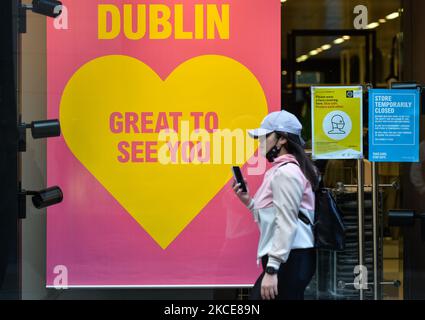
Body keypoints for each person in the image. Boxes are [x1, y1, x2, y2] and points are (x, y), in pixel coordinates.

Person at [232, 110, 318, 300]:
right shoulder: (283, 171)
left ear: (282, 140)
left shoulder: (286, 173)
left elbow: (286, 223)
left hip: (289, 260)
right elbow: (272, 220)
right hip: (289, 259)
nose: (260, 141)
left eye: (265, 135)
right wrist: (248, 201)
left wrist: (272, 269)